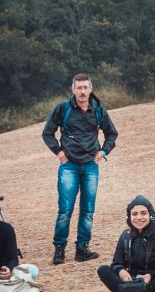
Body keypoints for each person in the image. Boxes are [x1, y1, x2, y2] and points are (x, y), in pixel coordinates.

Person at [42, 73, 119, 265]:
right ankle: (59, 250)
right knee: (65, 210)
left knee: (88, 210)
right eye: (79, 88)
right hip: (69, 166)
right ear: (73, 89)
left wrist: (104, 152)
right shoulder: (63, 108)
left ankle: (82, 249)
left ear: (90, 88)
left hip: (91, 166)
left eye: (86, 87)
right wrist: (59, 152)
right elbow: (47, 133)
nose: (82, 91)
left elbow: (112, 133)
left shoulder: (98, 109)